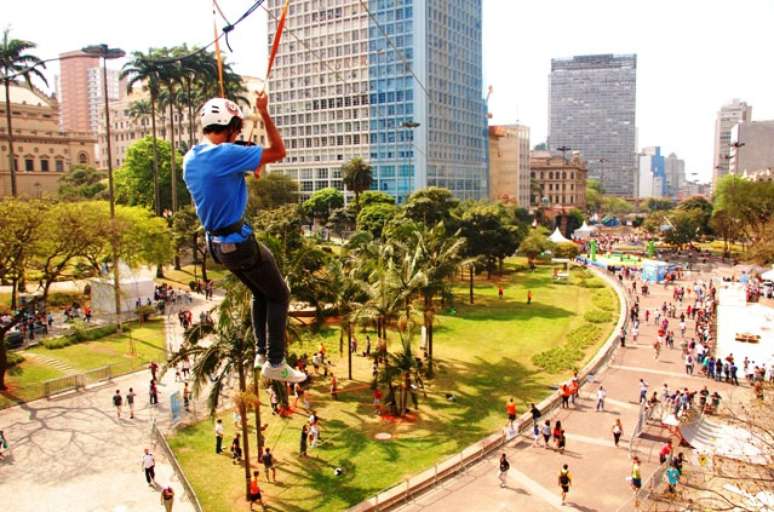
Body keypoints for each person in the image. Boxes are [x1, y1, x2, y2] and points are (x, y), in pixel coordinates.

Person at [182, 93, 305, 384]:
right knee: (280, 293)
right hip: (238, 243)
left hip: (216, 246)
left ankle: (261, 353)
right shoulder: (227, 155)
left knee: (261, 291)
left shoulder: (192, 157)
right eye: (237, 128)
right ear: (230, 124)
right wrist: (263, 112)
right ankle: (276, 361)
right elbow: (278, 151)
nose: (239, 133)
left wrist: (244, 157)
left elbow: (223, 173)